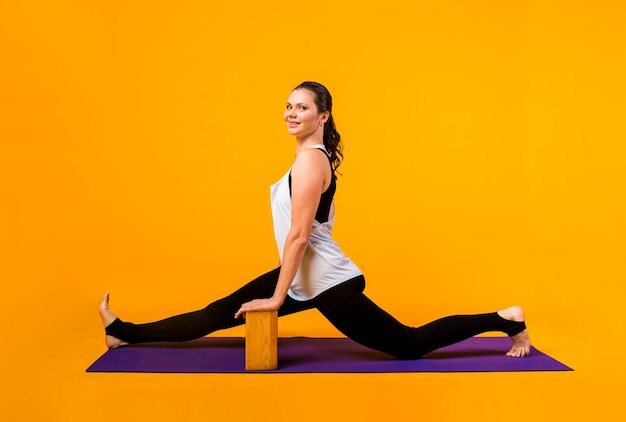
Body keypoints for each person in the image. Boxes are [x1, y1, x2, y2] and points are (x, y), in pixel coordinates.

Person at [99, 81, 531, 359]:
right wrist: (283, 290)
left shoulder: (310, 163)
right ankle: (124, 333)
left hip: (328, 283)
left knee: (409, 344)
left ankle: (506, 319)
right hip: (307, 276)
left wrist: (275, 298)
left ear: (321, 117)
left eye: (301, 107)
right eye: (288, 105)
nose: (291, 113)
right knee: (219, 312)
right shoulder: (305, 161)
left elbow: (300, 236)